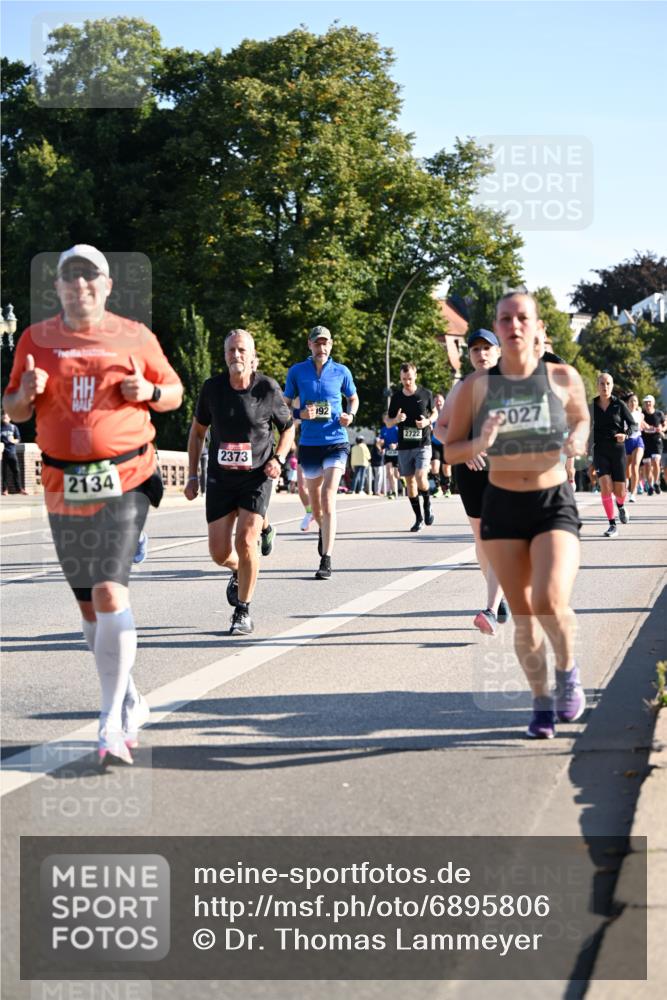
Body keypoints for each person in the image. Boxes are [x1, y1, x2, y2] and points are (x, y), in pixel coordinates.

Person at [3, 244, 183, 764]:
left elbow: (172, 392)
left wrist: (146, 389)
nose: (80, 286)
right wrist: (25, 393)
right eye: (70, 278)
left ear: (106, 285)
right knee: (88, 607)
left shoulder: (134, 336)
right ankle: (129, 696)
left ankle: (110, 725)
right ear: (57, 287)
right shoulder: (36, 340)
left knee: (107, 590)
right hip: (63, 483)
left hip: (127, 474)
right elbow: (11, 406)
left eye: (90, 277)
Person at [445, 291, 590, 740]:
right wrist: (479, 443)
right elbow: (450, 450)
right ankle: (541, 703)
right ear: (497, 326)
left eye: (521, 317)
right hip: (502, 506)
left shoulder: (562, 376)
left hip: (551, 504)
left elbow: (581, 418)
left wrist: (577, 441)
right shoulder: (476, 387)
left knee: (550, 600)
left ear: (536, 325)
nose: (513, 325)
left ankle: (567, 671)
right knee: (525, 617)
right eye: (504, 318)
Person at [184, 329, 294, 633]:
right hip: (220, 478)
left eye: (242, 350)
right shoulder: (212, 389)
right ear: (224, 355)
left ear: (252, 355)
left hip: (257, 476)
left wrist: (279, 459)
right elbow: (197, 432)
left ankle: (243, 610)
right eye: (231, 350)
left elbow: (288, 428)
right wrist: (193, 475)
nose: (236, 355)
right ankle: (238, 570)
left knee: (246, 540)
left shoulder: (267, 389)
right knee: (219, 553)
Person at [437, 330, 509, 635]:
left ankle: (490, 609)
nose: (481, 353)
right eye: (476, 349)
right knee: (481, 539)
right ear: (470, 355)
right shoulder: (462, 388)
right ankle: (498, 593)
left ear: (498, 352)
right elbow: (440, 428)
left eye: (487, 348)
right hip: (469, 471)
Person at [284, 325, 358, 580]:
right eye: (317, 343)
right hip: (310, 443)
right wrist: (299, 414)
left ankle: (326, 559)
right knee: (314, 501)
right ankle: (322, 528)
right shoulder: (297, 372)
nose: (321, 347)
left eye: (325, 343)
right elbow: (283, 406)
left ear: (331, 345)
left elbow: (354, 398)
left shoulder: (341, 371)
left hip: (336, 440)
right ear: (310, 345)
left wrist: (351, 415)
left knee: (328, 496)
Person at [385, 362, 437, 532]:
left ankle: (428, 504)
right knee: (410, 482)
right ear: (400, 378)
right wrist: (396, 420)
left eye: (409, 378)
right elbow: (387, 421)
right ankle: (419, 518)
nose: (407, 382)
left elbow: (435, 412)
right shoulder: (397, 398)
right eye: (403, 379)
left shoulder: (426, 393)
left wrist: (427, 422)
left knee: (421, 476)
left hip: (423, 443)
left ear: (415, 376)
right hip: (404, 446)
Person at [590, 373, 634, 537]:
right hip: (600, 449)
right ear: (597, 385)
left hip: (617, 449)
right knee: (605, 487)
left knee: (620, 492)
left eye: (608, 383)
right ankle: (612, 524)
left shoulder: (619, 405)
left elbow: (633, 426)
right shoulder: (592, 406)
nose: (605, 387)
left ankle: (621, 506)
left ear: (612, 385)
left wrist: (626, 435)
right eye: (601, 383)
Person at [640, 394, 666, 495]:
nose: (648, 404)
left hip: (656, 441)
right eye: (646, 402)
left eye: (649, 402)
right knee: (647, 465)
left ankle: (656, 483)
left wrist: (662, 429)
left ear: (653, 403)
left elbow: (664, 425)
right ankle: (650, 485)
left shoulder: (659, 414)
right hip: (645, 441)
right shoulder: (642, 414)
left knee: (655, 461)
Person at [430, 392, 452, 498]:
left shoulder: (448, 414)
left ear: (444, 402)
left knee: (446, 467)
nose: (438, 402)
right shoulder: (431, 414)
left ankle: (447, 489)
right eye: (436, 401)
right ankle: (438, 488)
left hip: (446, 444)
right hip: (434, 444)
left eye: (440, 400)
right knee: (434, 466)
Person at [624, 393, 645, 502]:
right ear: (627, 403)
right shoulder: (623, 414)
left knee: (635, 466)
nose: (633, 403)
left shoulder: (640, 414)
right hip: (627, 442)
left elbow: (642, 425)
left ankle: (633, 493)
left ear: (637, 403)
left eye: (635, 401)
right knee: (627, 469)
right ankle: (627, 484)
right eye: (631, 401)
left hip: (638, 441)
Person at [1, 412, 27, 494]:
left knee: (16, 471)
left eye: (6, 417)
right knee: (3, 472)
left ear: (10, 418)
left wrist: (13, 441)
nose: (5, 418)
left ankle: (19, 489)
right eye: (3, 417)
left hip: (12, 452)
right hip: (3, 453)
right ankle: (4, 490)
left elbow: (19, 439)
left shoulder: (13, 427)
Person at [381, 422, 400, 498]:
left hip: (397, 452)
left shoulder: (396, 428)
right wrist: (381, 446)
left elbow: (401, 439)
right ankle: (393, 492)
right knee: (389, 472)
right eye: (385, 419)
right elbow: (382, 440)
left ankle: (401, 478)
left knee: (396, 474)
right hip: (388, 452)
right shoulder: (383, 429)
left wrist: (395, 445)